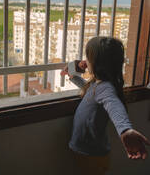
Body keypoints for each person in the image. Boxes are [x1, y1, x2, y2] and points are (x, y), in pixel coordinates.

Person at [61, 36, 150, 175]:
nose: (85, 61)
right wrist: (73, 73)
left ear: (97, 63)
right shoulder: (99, 84)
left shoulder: (106, 88)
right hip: (86, 151)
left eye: (88, 57)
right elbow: (89, 90)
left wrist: (125, 129)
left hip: (92, 155)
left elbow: (114, 106)